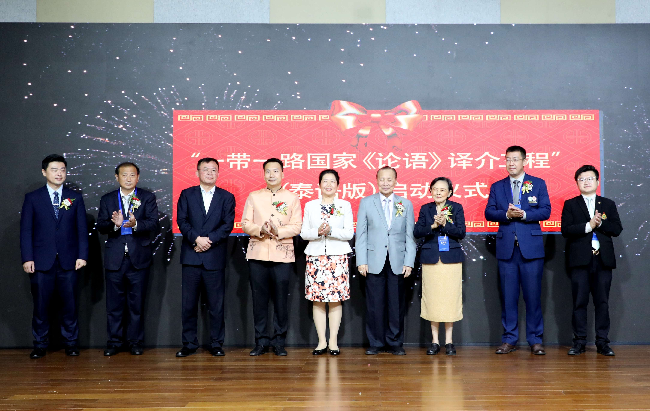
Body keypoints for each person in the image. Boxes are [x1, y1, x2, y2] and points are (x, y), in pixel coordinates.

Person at [485, 145, 551, 355]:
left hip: (531, 250)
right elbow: (489, 212)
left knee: (533, 297)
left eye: (515, 159)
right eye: (507, 159)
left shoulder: (538, 183)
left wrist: (524, 214)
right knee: (508, 297)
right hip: (507, 250)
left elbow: (546, 211)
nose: (511, 163)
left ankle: (535, 340)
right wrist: (506, 215)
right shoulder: (498, 186)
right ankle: (509, 339)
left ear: (524, 161)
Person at [20, 154, 88, 359]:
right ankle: (40, 344)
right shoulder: (33, 198)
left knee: (70, 305)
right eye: (54, 170)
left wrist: (82, 255)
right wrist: (27, 258)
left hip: (69, 261)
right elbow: (26, 231)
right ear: (44, 172)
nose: (59, 174)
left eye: (62, 170)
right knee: (41, 306)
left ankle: (71, 343)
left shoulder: (75, 197)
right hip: (41, 261)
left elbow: (82, 230)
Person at [97, 162, 159, 356]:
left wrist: (135, 223)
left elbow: (153, 224)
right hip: (115, 258)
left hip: (138, 258)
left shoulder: (147, 197)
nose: (128, 178)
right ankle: (114, 342)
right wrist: (115, 225)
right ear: (117, 177)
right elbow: (100, 226)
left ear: (138, 177)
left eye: (132, 175)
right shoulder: (108, 199)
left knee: (136, 304)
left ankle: (135, 342)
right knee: (114, 305)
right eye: (124, 175)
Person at [242, 158, 302, 356]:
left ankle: (279, 342)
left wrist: (279, 231)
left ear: (282, 174)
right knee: (259, 301)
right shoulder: (254, 196)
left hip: (282, 256)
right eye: (268, 171)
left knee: (281, 301)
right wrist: (260, 229)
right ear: (264, 174)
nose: (271, 175)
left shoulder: (292, 198)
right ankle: (260, 342)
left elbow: (297, 226)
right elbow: (245, 223)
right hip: (258, 254)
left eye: (275, 171)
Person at [175, 158, 235, 357]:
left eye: (214, 170)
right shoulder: (187, 194)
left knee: (216, 305)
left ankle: (216, 343)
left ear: (218, 173)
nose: (210, 173)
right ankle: (189, 344)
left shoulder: (226, 197)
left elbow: (227, 225)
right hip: (191, 257)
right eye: (206, 169)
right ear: (197, 172)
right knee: (188, 305)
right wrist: (196, 239)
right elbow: (182, 220)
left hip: (214, 257)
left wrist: (208, 241)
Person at [561, 165, 622, 356]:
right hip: (580, 261)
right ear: (577, 183)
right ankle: (579, 341)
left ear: (597, 181)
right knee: (579, 302)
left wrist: (600, 223)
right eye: (581, 179)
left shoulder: (608, 204)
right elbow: (566, 230)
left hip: (602, 260)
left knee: (602, 302)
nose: (586, 182)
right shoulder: (571, 204)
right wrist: (588, 225)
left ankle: (602, 342)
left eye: (589, 178)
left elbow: (617, 229)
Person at [356, 166, 416, 355]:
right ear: (376, 180)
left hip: (398, 261)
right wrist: (361, 260)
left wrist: (409, 262)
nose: (385, 183)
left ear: (396, 181)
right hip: (373, 260)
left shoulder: (405, 204)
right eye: (382, 179)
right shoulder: (366, 202)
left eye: (389, 179)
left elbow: (410, 236)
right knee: (375, 304)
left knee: (396, 305)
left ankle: (395, 342)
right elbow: (361, 234)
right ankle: (376, 342)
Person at [300, 169, 354, 356]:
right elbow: (304, 233)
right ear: (319, 184)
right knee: (318, 300)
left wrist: (331, 231)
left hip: (337, 258)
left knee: (335, 300)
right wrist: (317, 231)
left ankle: (333, 342)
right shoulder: (310, 205)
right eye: (325, 181)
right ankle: (321, 341)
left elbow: (349, 233)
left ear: (338, 185)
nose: (328, 185)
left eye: (332, 181)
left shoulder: (344, 205)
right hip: (316, 258)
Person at [414, 177, 466, 356]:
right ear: (430, 191)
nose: (438, 192)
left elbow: (461, 232)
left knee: (450, 299)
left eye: (442, 189)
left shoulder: (456, 207)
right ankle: (435, 341)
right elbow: (417, 231)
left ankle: (449, 342)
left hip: (451, 259)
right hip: (431, 259)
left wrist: (445, 224)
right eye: (435, 189)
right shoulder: (425, 208)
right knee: (433, 299)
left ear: (449, 192)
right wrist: (433, 225)